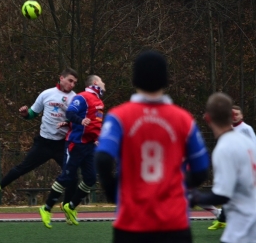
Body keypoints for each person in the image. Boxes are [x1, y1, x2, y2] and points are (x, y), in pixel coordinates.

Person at [95, 50, 210, 243]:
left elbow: (103, 157)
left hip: (131, 224)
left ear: (135, 79)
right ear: (165, 80)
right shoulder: (184, 119)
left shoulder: (119, 117)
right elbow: (201, 171)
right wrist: (179, 184)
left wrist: (112, 191)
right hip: (174, 224)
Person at [0, 68, 78, 216]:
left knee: (72, 174)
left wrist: (69, 123)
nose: (72, 84)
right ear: (61, 78)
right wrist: (25, 114)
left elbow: (77, 120)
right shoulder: (46, 94)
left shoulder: (76, 99)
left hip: (61, 145)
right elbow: (33, 113)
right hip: (43, 143)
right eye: (70, 80)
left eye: (75, 82)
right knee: (22, 168)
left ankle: (67, 208)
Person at [39, 75, 105, 229]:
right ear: (95, 83)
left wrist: (97, 137)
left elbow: (94, 124)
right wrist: (78, 121)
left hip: (89, 146)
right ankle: (46, 208)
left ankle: (71, 206)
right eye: (102, 81)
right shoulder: (83, 97)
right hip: (75, 144)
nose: (104, 84)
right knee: (67, 177)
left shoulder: (99, 102)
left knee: (90, 178)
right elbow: (70, 112)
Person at [189, 92, 256, 243]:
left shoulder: (225, 147)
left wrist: (193, 198)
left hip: (242, 228)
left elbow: (222, 195)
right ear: (232, 115)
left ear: (207, 118)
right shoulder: (246, 141)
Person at [206, 104, 256, 230]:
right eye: (232, 114)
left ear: (242, 115)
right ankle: (223, 219)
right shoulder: (228, 129)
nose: (234, 117)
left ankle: (225, 219)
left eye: (237, 114)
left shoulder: (246, 129)